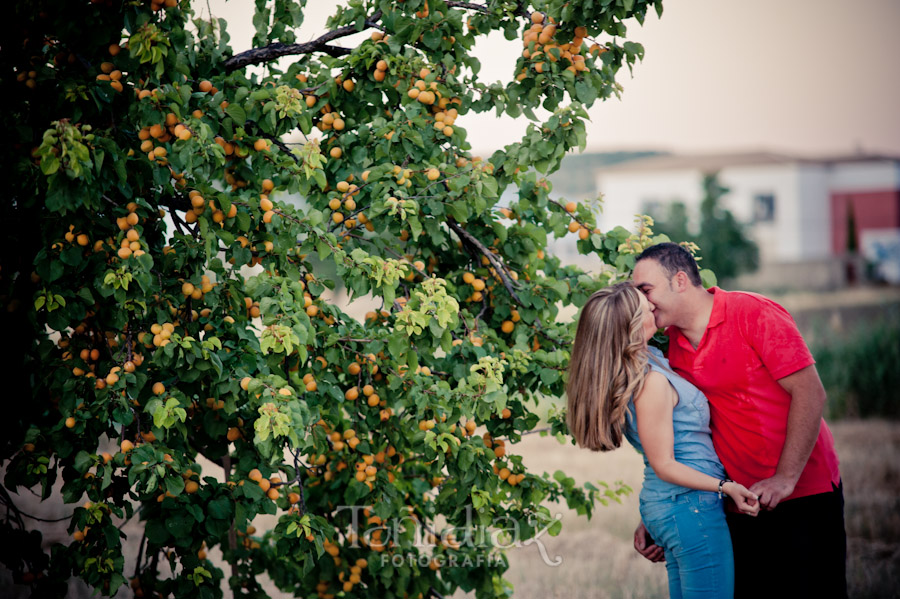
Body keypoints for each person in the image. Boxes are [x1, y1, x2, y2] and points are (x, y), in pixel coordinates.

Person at [631, 242, 846, 599]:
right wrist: (663, 513)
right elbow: (685, 435)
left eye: (647, 290)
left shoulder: (753, 313)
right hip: (736, 503)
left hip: (803, 491)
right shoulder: (668, 347)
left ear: (680, 280)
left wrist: (786, 477)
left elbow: (811, 393)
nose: (644, 302)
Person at [567, 282, 759, 599]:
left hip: (676, 504)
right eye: (646, 307)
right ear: (632, 325)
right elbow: (665, 464)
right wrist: (726, 487)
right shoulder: (651, 383)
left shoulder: (650, 359)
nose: (654, 308)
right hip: (689, 506)